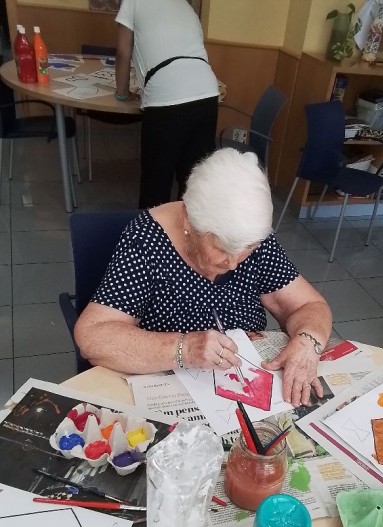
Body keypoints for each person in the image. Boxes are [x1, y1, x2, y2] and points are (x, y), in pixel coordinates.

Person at [74, 149, 332, 407]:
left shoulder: (249, 236)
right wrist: (185, 349)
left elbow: (308, 305)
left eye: (248, 249)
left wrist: (307, 342)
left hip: (247, 385)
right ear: (188, 219)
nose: (234, 263)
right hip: (170, 391)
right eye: (222, 249)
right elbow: (93, 337)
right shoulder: (146, 241)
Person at [115, 0, 219, 209]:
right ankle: (188, 230)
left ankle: (153, 229)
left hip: (166, 95)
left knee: (156, 184)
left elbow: (123, 52)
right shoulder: (186, 6)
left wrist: (122, 93)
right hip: (207, 92)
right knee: (194, 186)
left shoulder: (133, 1)